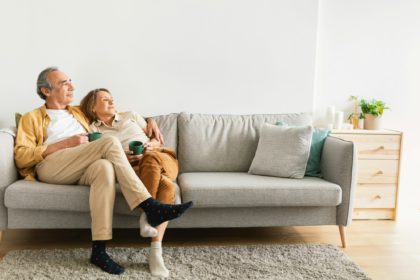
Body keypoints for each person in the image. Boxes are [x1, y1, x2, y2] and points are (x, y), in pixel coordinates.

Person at [14, 67, 193, 275]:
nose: (72, 86)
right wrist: (65, 144)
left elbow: (116, 114)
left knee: (105, 168)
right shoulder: (32, 117)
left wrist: (150, 120)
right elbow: (21, 155)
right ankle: (148, 205)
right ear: (46, 90)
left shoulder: (78, 112)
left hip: (83, 164)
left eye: (70, 81)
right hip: (53, 165)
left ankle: (99, 250)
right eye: (64, 83)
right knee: (109, 142)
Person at [80, 88, 178, 278]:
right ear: (93, 107)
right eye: (105, 100)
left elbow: (155, 139)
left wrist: (151, 144)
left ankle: (145, 214)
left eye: (111, 98)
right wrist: (122, 157)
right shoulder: (93, 130)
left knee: (150, 158)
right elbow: (99, 153)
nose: (111, 102)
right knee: (167, 187)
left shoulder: (131, 115)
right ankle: (155, 253)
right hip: (134, 170)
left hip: (161, 158)